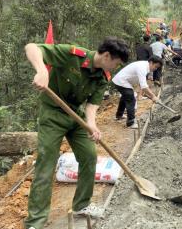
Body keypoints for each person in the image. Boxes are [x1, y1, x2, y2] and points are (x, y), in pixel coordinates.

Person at [24, 37, 129, 229]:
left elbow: (92, 104)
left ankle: (82, 205)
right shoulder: (72, 55)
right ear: (107, 56)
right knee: (46, 163)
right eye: (116, 63)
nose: (115, 68)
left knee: (89, 155)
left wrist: (91, 125)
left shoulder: (102, 77)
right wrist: (41, 71)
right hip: (53, 115)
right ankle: (35, 222)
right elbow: (32, 47)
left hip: (76, 117)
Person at [112, 56, 162, 128]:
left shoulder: (145, 66)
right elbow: (144, 86)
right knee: (131, 98)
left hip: (122, 81)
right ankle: (130, 122)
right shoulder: (142, 67)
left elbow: (141, 83)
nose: (155, 69)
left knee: (125, 97)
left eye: (157, 68)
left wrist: (145, 92)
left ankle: (119, 115)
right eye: (155, 66)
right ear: (151, 63)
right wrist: (153, 96)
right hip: (121, 81)